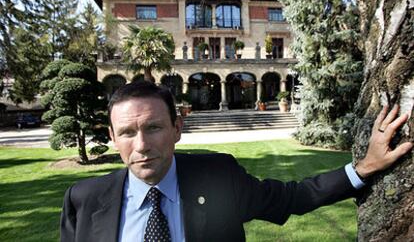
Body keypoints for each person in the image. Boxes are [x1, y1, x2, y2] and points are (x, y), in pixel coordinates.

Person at [60, 81, 413, 242]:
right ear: (111, 136)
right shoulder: (83, 200)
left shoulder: (219, 178)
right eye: (127, 133)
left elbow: (293, 196)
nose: (141, 145)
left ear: (177, 128)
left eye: (154, 128)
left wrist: (365, 167)